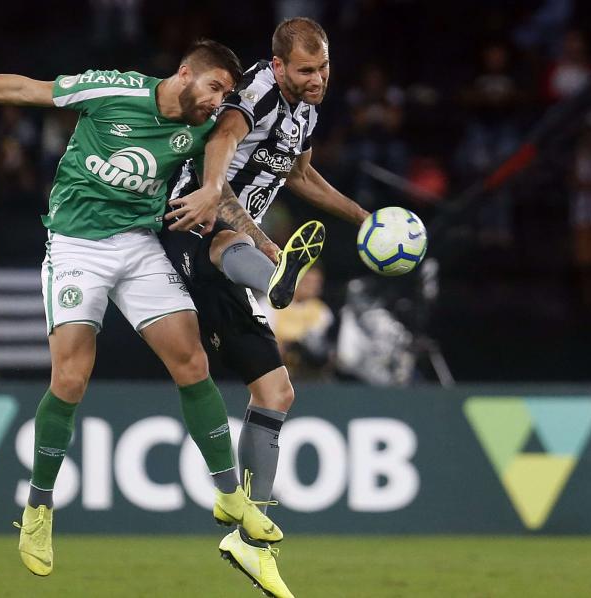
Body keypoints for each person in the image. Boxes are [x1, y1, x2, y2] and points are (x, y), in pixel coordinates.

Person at [0, 40, 289, 579]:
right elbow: (25, 90)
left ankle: (229, 495)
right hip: (78, 243)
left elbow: (219, 195)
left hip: (138, 243)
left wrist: (262, 243)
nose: (219, 101)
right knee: (72, 377)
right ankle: (38, 508)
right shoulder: (114, 89)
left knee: (193, 363)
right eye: (215, 87)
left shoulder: (207, 129)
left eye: (227, 93)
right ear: (184, 75)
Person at [161, 17, 370, 598]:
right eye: (306, 70)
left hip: (241, 247)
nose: (317, 79)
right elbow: (223, 144)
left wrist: (364, 218)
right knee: (229, 237)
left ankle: (251, 543)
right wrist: (259, 236)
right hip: (192, 223)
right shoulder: (252, 91)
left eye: (323, 67)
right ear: (277, 66)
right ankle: (274, 271)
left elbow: (298, 173)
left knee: (277, 393)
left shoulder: (305, 110)